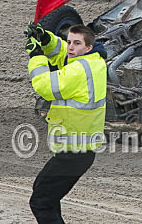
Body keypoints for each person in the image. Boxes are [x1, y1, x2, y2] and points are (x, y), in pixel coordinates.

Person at [24, 23, 108, 224]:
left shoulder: (77, 72)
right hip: (79, 151)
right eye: (69, 41)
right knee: (46, 196)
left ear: (88, 47)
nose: (71, 47)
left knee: (41, 201)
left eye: (76, 43)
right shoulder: (94, 61)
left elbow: (45, 86)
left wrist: (36, 56)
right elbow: (62, 52)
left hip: (73, 153)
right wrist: (46, 39)